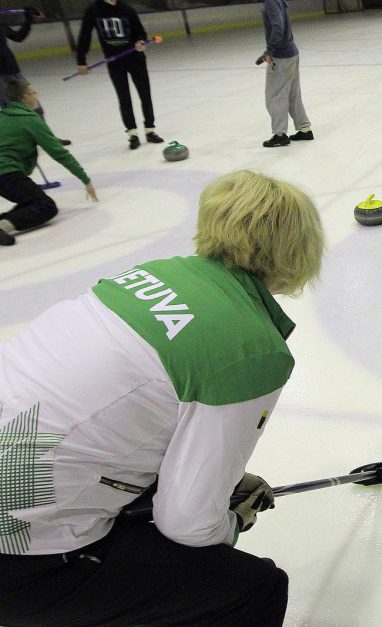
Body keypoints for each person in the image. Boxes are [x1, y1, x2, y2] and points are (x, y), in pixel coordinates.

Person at [0, 170, 325, 625]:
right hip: (21, 553)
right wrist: (233, 520)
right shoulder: (250, 350)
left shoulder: (151, 274)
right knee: (255, 590)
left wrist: (223, 481)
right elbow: (189, 525)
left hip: (15, 479)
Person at [0, 80, 97, 247]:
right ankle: (3, 226)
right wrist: (85, 179)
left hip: (6, 174)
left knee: (29, 201)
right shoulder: (32, 120)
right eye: (33, 93)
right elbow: (59, 153)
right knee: (45, 206)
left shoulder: (3, 116)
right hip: (7, 173)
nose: (36, 96)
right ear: (25, 97)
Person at [75, 0, 164, 149]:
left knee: (145, 94)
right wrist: (81, 60)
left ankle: (150, 130)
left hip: (136, 59)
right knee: (124, 98)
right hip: (115, 62)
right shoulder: (93, 10)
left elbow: (140, 32)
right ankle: (132, 134)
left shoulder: (127, 8)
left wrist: (140, 41)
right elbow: (85, 35)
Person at [0, 6, 71, 145]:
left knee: (34, 104)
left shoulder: (1, 26)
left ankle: (46, 138)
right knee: (12, 110)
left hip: (14, 71)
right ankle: (19, 142)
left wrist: (28, 20)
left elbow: (19, 37)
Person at [260, 0, 312, 148]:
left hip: (281, 56)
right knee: (293, 95)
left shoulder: (270, 2)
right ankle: (304, 129)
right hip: (291, 52)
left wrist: (270, 50)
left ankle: (279, 135)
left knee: (275, 96)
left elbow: (278, 26)